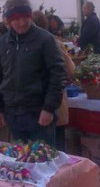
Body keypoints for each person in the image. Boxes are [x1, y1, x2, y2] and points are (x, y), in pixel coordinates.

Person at [0, 0, 67, 146]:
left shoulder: (45, 40)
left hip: (38, 113)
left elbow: (57, 75)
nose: (22, 22)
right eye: (16, 19)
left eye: (25, 17)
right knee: (20, 162)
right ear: (9, 20)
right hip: (12, 115)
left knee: (43, 163)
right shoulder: (2, 43)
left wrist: (49, 108)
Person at [31, 10, 75, 151]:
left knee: (36, 148)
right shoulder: (53, 42)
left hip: (32, 104)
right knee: (56, 146)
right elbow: (69, 70)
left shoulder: (22, 43)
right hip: (53, 100)